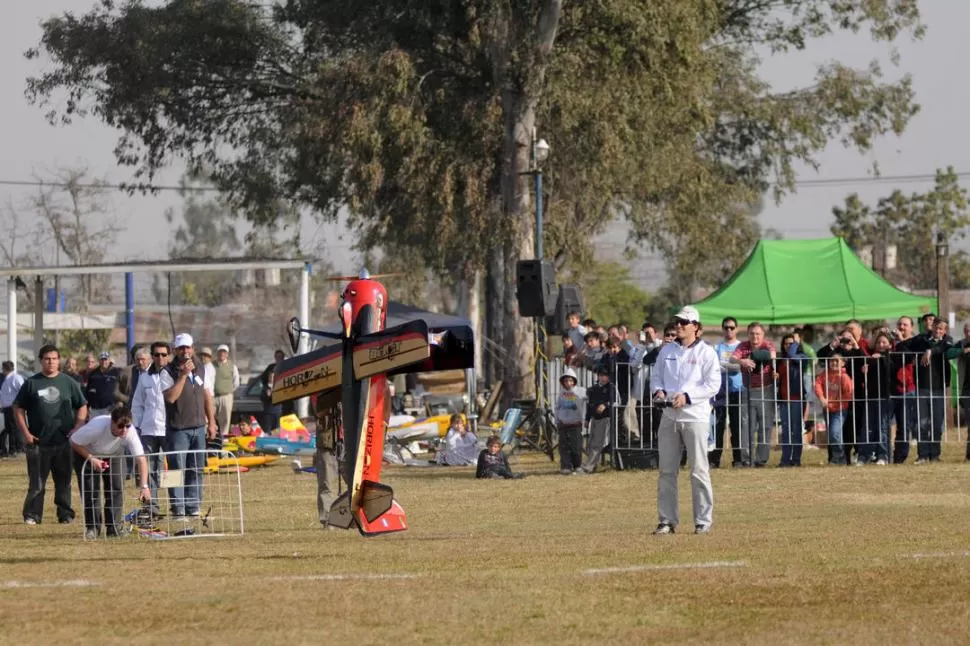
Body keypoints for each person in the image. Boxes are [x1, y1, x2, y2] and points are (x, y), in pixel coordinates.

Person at [649, 306, 720, 535]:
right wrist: (658, 392)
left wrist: (688, 397)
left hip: (695, 417)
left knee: (698, 470)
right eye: (677, 321)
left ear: (696, 328)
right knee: (667, 471)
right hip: (669, 416)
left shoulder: (706, 353)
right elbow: (656, 377)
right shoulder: (667, 350)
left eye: (684, 322)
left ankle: (703, 521)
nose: (679, 326)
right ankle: (667, 521)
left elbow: (713, 384)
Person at [14, 344, 88, 525]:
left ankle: (65, 515)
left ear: (59, 360)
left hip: (64, 442)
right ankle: (32, 515)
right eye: (47, 359)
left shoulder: (68, 382)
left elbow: (82, 405)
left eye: (54, 358)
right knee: (37, 484)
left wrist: (77, 428)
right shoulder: (31, 383)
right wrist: (26, 433)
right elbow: (18, 408)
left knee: (64, 483)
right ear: (41, 361)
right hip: (38, 443)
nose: (51, 362)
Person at [70, 406, 152, 539]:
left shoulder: (129, 432)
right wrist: (92, 459)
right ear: (111, 422)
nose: (124, 430)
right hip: (87, 453)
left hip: (114, 454)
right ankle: (92, 528)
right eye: (120, 426)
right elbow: (74, 441)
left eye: (127, 426)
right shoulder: (97, 427)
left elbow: (141, 459)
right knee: (91, 491)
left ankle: (114, 528)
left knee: (116, 488)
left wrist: (144, 487)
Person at [160, 333, 217, 519]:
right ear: (175, 350)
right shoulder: (167, 371)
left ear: (193, 348)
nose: (186, 351)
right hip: (177, 429)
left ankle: (193, 507)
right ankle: (178, 510)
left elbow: (207, 394)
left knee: (196, 468)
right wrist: (184, 375)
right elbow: (170, 397)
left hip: (199, 426)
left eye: (188, 347)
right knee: (175, 471)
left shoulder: (200, 367)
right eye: (182, 348)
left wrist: (212, 422)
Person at [131, 341, 171, 515]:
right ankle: (152, 507)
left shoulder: (173, 374)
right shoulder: (144, 377)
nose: (160, 358)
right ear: (152, 357)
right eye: (156, 355)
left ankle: (178, 506)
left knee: (173, 470)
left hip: (169, 429)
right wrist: (137, 426)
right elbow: (137, 403)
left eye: (163, 354)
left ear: (168, 356)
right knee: (150, 469)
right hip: (148, 429)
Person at [710, 317, 745, 468]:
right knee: (718, 427)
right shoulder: (718, 347)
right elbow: (715, 366)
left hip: (738, 391)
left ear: (736, 329)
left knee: (736, 427)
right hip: (720, 392)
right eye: (726, 327)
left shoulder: (741, 347)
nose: (729, 330)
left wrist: (724, 364)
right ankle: (714, 459)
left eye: (731, 327)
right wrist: (730, 364)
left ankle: (738, 459)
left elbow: (738, 368)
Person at [814, 353, 854, 465]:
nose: (834, 363)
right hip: (827, 409)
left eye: (837, 360)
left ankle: (840, 457)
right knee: (833, 435)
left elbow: (849, 393)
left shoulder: (844, 377)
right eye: (832, 360)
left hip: (840, 409)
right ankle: (838, 459)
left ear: (843, 363)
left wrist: (836, 403)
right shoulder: (824, 374)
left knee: (835, 433)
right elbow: (817, 385)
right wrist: (822, 398)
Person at [579, 364, 617, 474]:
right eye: (601, 375)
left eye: (606, 375)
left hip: (605, 418)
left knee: (597, 443)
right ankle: (592, 464)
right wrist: (587, 419)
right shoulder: (593, 389)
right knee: (590, 442)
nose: (603, 378)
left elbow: (614, 400)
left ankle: (589, 467)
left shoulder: (611, 388)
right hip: (594, 419)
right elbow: (589, 405)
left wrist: (605, 405)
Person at [313, 394, 343, 528]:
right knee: (326, 482)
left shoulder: (349, 389)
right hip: (327, 441)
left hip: (347, 440)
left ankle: (354, 515)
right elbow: (317, 410)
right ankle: (327, 519)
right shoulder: (319, 392)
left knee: (355, 481)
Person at [554, 368, 586, 474]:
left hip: (575, 424)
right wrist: (557, 420)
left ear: (574, 381)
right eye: (566, 381)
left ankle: (577, 465)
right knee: (563, 447)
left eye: (571, 380)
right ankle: (566, 466)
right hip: (563, 424)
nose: (568, 383)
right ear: (563, 382)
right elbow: (557, 407)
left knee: (576, 446)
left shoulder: (580, 392)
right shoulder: (561, 394)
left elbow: (589, 398)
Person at [212, 344, 240, 445]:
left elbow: (236, 382)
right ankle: (212, 439)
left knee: (225, 420)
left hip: (226, 396)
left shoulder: (232, 366)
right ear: (217, 353)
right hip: (213, 396)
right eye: (220, 352)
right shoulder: (212, 365)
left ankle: (224, 442)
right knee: (210, 418)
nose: (222, 354)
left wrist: (228, 390)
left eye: (224, 352)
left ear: (227, 354)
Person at [85, 351, 124, 418]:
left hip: (111, 408)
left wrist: (120, 402)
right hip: (95, 409)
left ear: (109, 360)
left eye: (105, 359)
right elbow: (88, 391)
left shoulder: (116, 372)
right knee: (96, 428)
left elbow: (122, 388)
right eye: (102, 359)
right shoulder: (93, 374)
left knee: (109, 428)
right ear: (99, 361)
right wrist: (87, 407)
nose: (104, 362)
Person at [0, 361, 25, 457]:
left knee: (15, 429)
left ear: (5, 368)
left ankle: (19, 449)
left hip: (13, 407)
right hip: (7, 408)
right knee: (10, 429)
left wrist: (19, 404)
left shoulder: (15, 377)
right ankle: (12, 449)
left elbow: (22, 390)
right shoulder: (7, 379)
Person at [259, 349, 286, 433]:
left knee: (279, 430)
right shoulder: (271, 367)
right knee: (268, 430)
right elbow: (263, 379)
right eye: (277, 357)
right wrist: (268, 388)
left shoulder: (287, 366)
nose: (279, 358)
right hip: (269, 409)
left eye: (280, 357)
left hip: (283, 406)